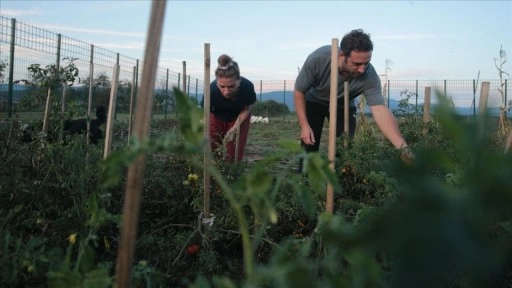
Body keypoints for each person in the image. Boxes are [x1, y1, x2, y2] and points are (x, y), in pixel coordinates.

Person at [294, 29, 413, 170]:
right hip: (313, 101)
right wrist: (304, 125)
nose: (362, 69)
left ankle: (339, 182)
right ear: (342, 56)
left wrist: (403, 148)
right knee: (309, 144)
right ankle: (305, 183)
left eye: (366, 63)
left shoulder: (370, 75)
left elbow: (380, 109)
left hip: (343, 105)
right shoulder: (318, 59)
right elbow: (299, 91)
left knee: (344, 146)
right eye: (357, 64)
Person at [201, 54, 257, 163]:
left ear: (238, 82)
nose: (226, 91)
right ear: (217, 83)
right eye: (222, 87)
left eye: (231, 86)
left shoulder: (247, 87)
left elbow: (246, 109)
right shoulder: (211, 90)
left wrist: (234, 129)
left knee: (233, 151)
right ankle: (215, 171)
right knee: (212, 146)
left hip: (239, 115)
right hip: (216, 116)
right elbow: (205, 113)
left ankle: (231, 172)